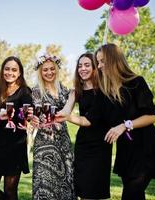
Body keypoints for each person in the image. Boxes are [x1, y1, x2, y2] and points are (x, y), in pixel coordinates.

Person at [59, 43, 155, 200]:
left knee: (132, 192)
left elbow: (151, 116)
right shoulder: (105, 92)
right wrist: (66, 116)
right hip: (125, 149)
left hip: (145, 147)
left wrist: (125, 125)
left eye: (102, 61)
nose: (99, 66)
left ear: (114, 60)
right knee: (134, 194)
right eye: (97, 62)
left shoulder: (136, 82)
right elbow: (88, 119)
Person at [57, 53, 113, 200]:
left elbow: (88, 121)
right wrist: (56, 115)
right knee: (83, 191)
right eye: (80, 66)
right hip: (83, 145)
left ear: (95, 68)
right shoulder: (77, 91)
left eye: (87, 65)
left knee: (95, 191)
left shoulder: (104, 90)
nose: (82, 69)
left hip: (100, 145)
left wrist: (67, 117)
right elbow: (66, 110)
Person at [0, 56, 32, 200]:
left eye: (14, 70)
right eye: (7, 69)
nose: (10, 72)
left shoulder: (25, 91)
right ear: (3, 70)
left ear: (19, 73)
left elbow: (28, 111)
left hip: (15, 146)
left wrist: (28, 115)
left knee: (10, 191)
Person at [31, 54, 76, 200]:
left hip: (63, 142)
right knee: (44, 183)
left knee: (66, 183)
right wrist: (35, 119)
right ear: (40, 72)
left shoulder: (64, 90)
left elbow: (71, 108)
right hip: (45, 142)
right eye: (45, 70)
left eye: (52, 69)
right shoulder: (37, 91)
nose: (49, 72)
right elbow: (37, 112)